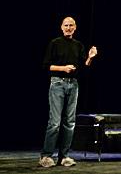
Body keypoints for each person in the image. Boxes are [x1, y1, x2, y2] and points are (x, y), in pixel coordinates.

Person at [39, 17, 98, 168]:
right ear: (61, 27)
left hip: (73, 84)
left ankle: (64, 156)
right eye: (66, 25)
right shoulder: (55, 43)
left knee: (70, 122)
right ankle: (46, 156)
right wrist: (63, 68)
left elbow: (84, 66)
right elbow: (47, 66)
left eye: (71, 25)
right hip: (57, 83)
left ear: (75, 27)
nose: (68, 27)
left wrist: (90, 58)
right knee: (55, 122)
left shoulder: (78, 45)